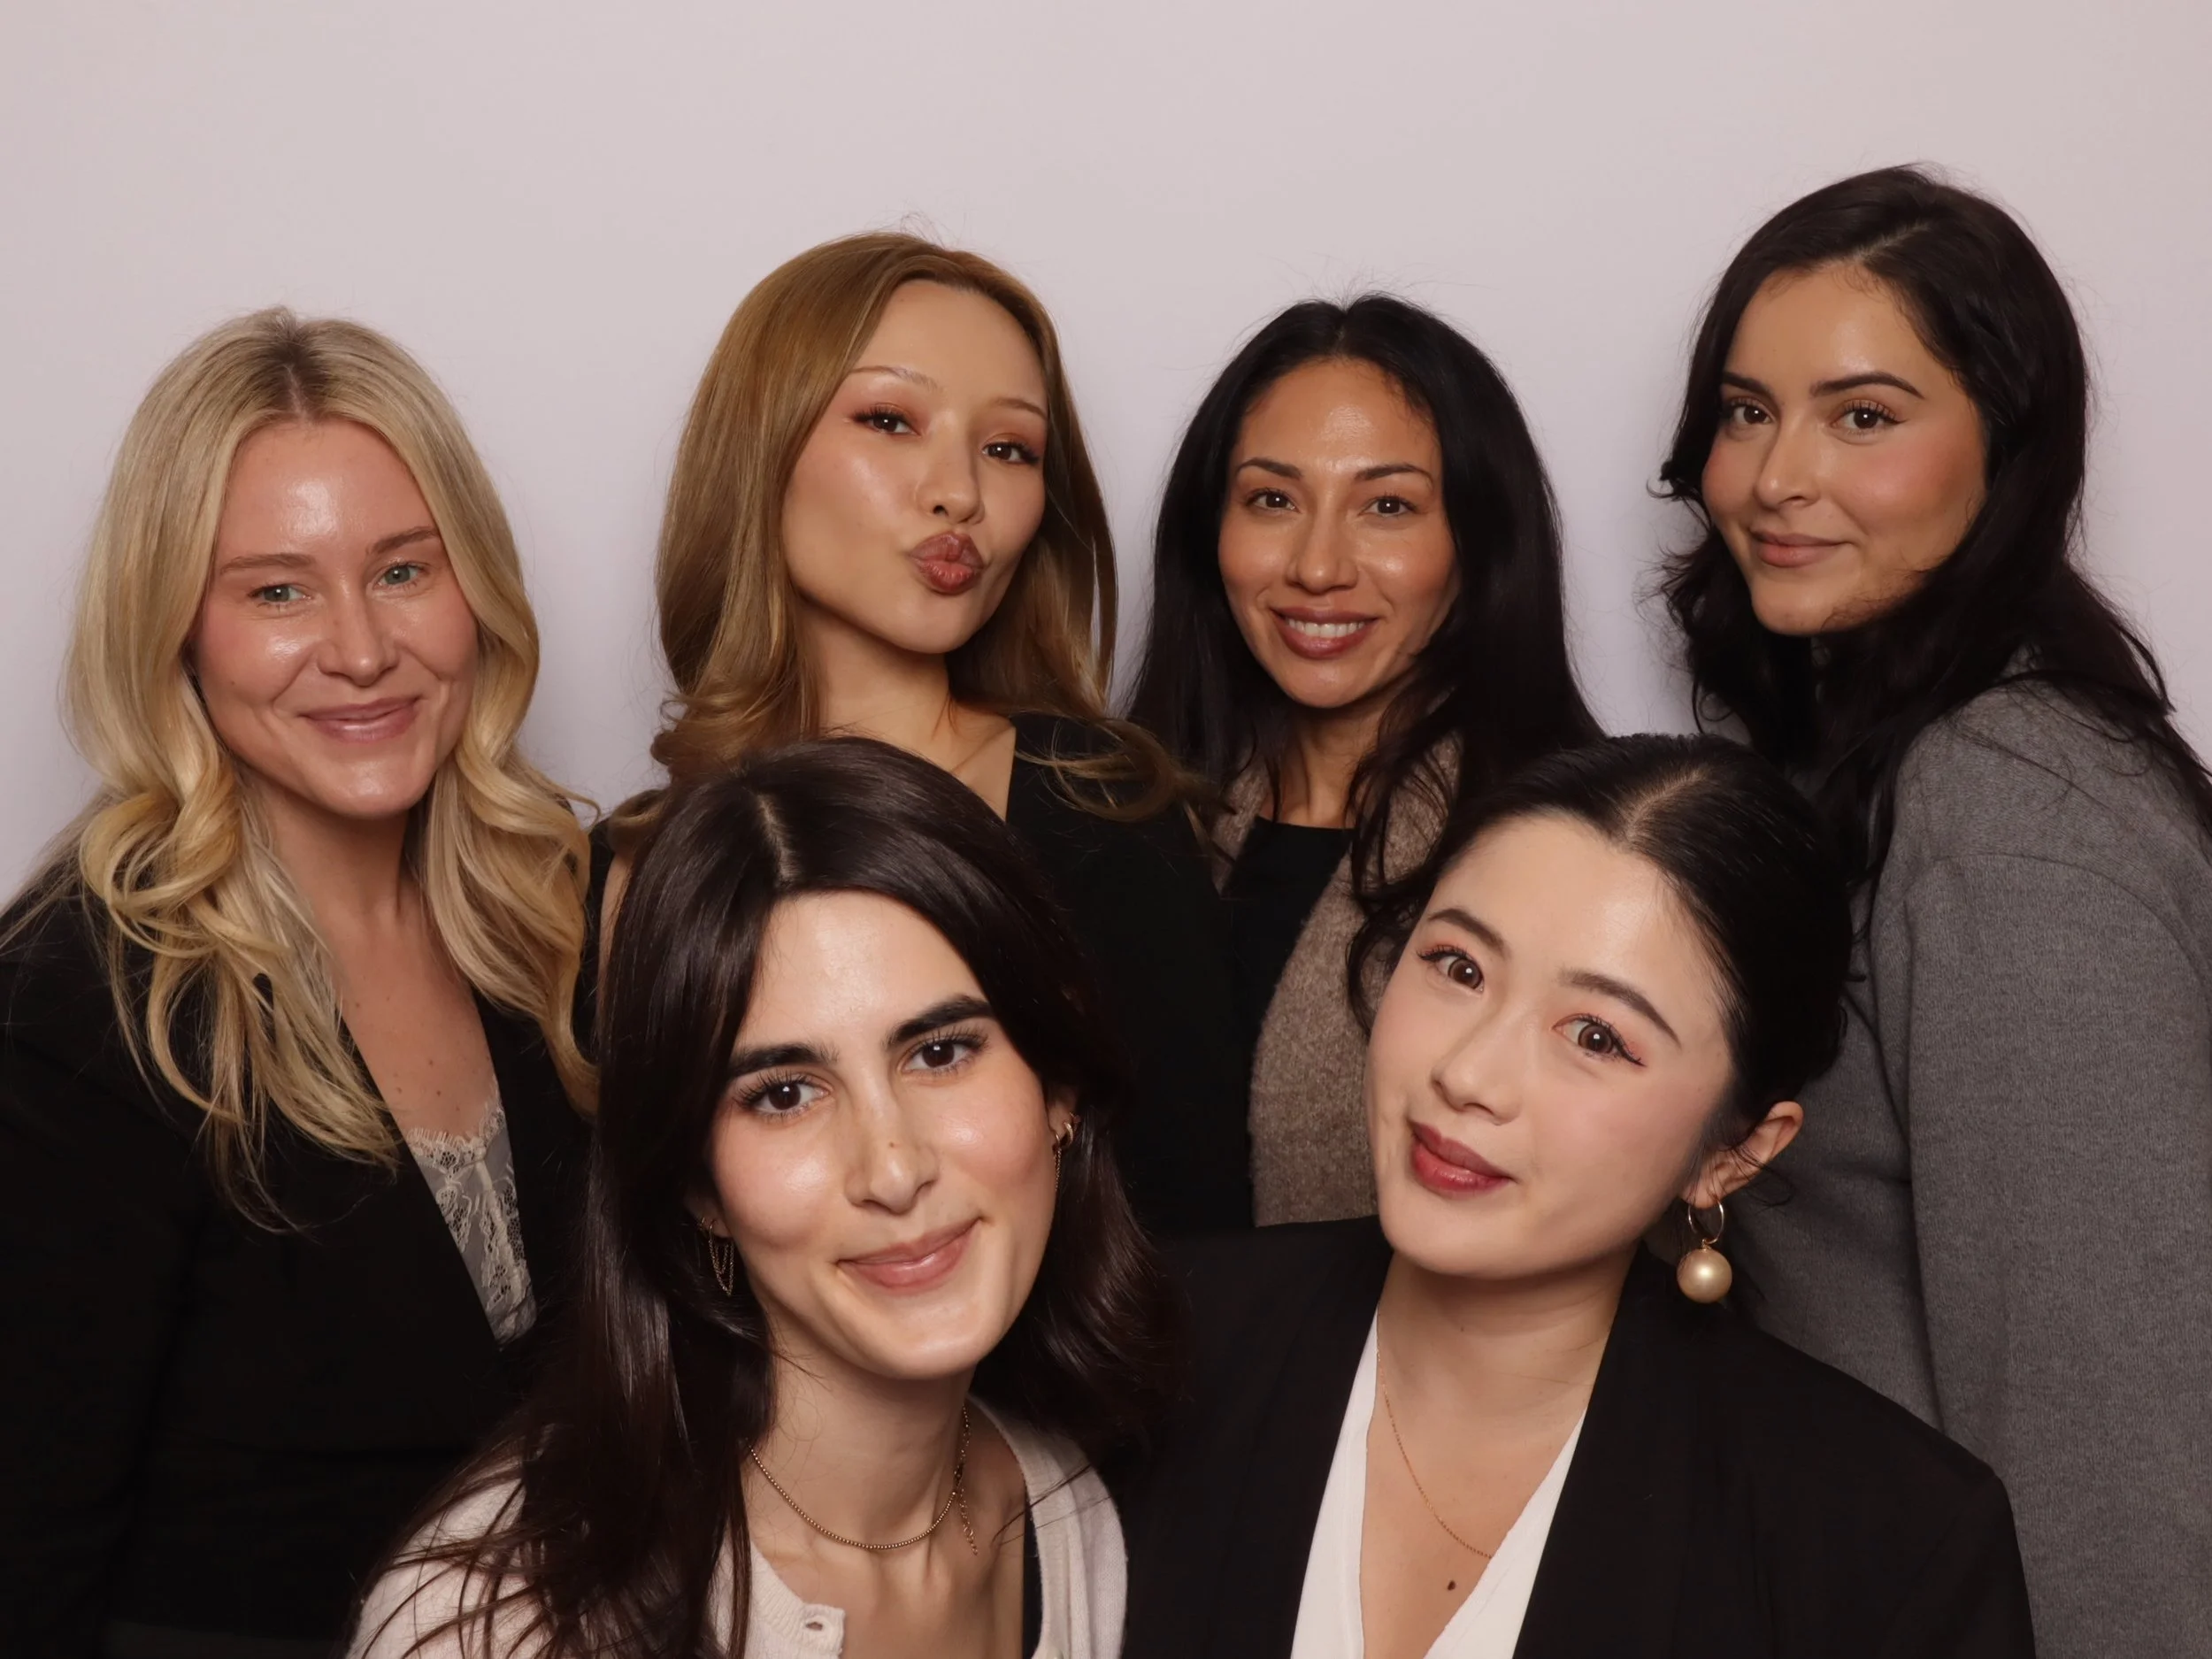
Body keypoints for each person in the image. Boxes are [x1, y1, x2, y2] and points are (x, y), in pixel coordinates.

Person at [1118, 735, 2035, 1659]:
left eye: (1596, 1036)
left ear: (1734, 1152)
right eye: (1457, 967)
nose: (1468, 1074)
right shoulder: (1142, 1344)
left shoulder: (1890, 1546)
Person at [1657, 165, 2212, 1656]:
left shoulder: (2010, 808)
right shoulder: (1863, 760)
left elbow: (2104, 1418)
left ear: (2008, 454)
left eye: (1865, 416)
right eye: (1745, 409)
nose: (1775, 477)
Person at [0, 310, 593, 1657]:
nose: (363, 648)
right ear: (177, 635)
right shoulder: (77, 1013)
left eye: (402, 569)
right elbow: (23, 1556)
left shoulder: (552, 916)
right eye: (276, 589)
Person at [352, 738, 1174, 1658]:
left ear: (1056, 1091)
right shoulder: (499, 1625)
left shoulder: (1075, 1516)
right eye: (783, 1093)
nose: (892, 1169)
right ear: (698, 1184)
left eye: (940, 1052)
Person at [602, 231, 1246, 1235]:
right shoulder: (625, 868)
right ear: (760, 445)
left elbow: (1198, 1242)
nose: (961, 493)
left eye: (1009, 449)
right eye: (891, 420)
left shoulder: (1097, 809)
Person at [1127, 296, 1599, 1225]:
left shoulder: (1577, 850)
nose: (1316, 566)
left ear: (1478, 541)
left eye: (1386, 506)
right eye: (1272, 499)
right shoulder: (1130, 821)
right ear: (1207, 532)